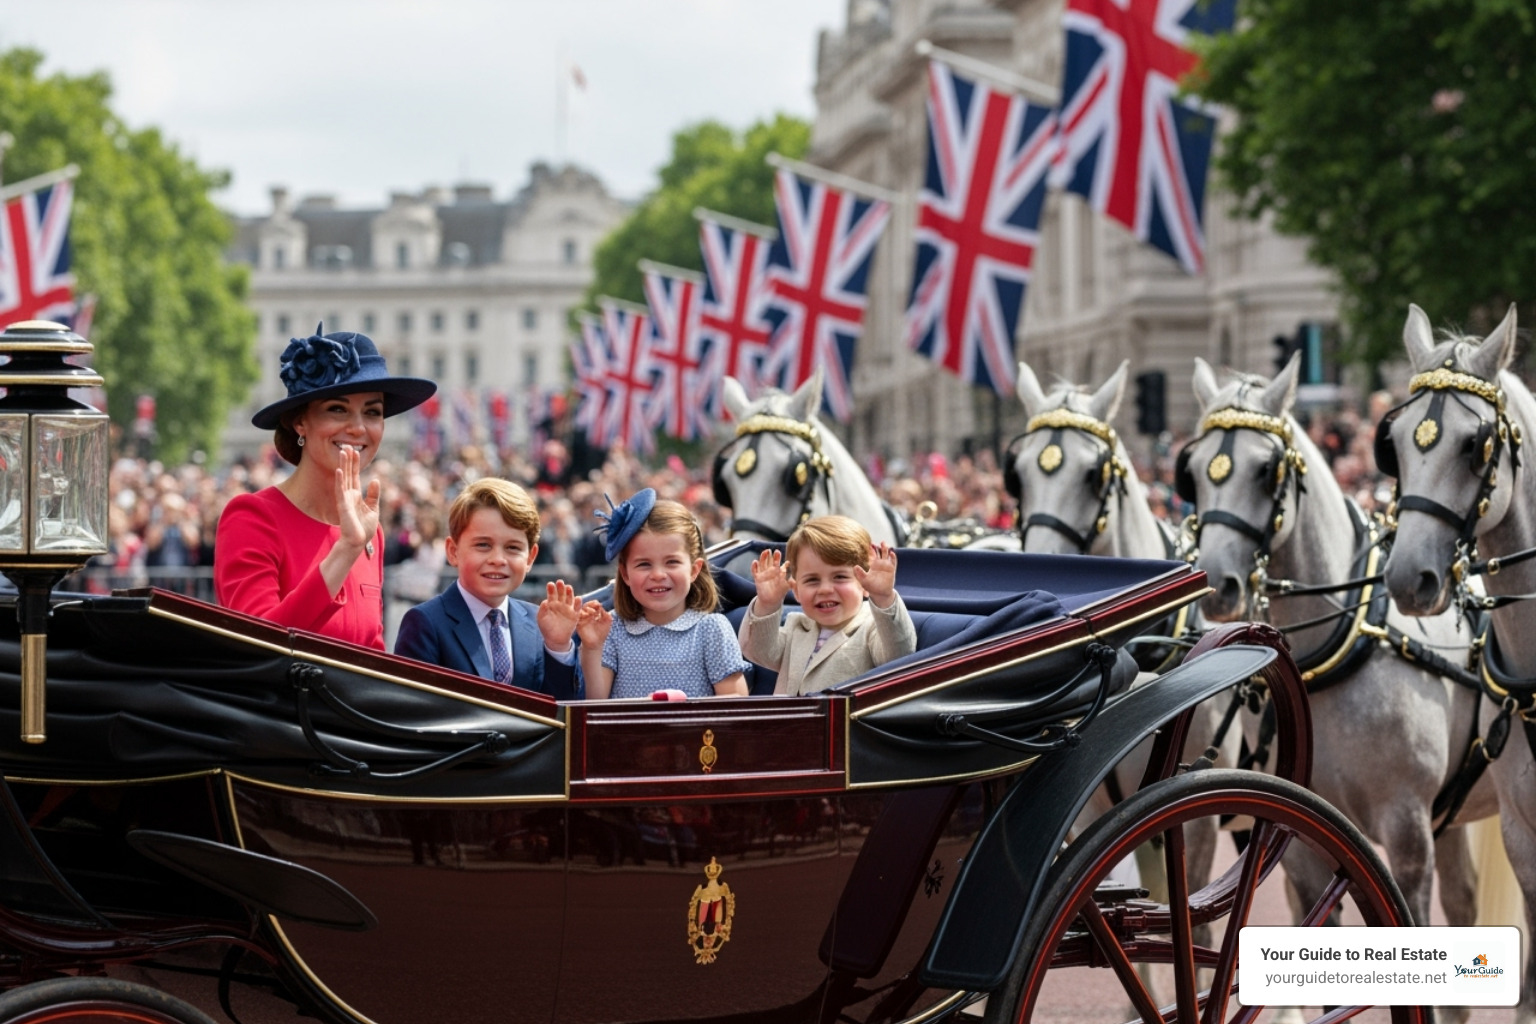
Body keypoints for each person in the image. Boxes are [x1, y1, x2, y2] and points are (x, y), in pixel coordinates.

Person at [215, 325, 436, 648]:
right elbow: (255, 643)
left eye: (372, 412)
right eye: (337, 409)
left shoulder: (368, 531)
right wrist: (345, 550)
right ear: (300, 422)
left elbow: (370, 651)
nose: (358, 428)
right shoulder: (253, 517)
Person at [394, 478, 581, 699]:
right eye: (483, 545)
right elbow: (413, 714)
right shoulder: (426, 624)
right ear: (453, 551)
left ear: (530, 558)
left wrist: (557, 647)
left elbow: (561, 715)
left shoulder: (541, 624)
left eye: (513, 547)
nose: (498, 559)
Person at [575, 489, 748, 700]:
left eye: (672, 562)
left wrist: (683, 709)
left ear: (694, 570)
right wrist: (592, 648)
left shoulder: (712, 629)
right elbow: (595, 705)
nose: (658, 574)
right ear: (625, 574)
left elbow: (736, 703)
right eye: (644, 564)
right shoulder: (611, 628)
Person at [738, 515, 916, 696]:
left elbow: (898, 656)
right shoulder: (796, 627)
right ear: (796, 591)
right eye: (812, 580)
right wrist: (768, 604)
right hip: (787, 724)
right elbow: (758, 651)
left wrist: (883, 596)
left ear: (864, 583)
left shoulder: (871, 628)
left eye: (840, 577)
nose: (825, 589)